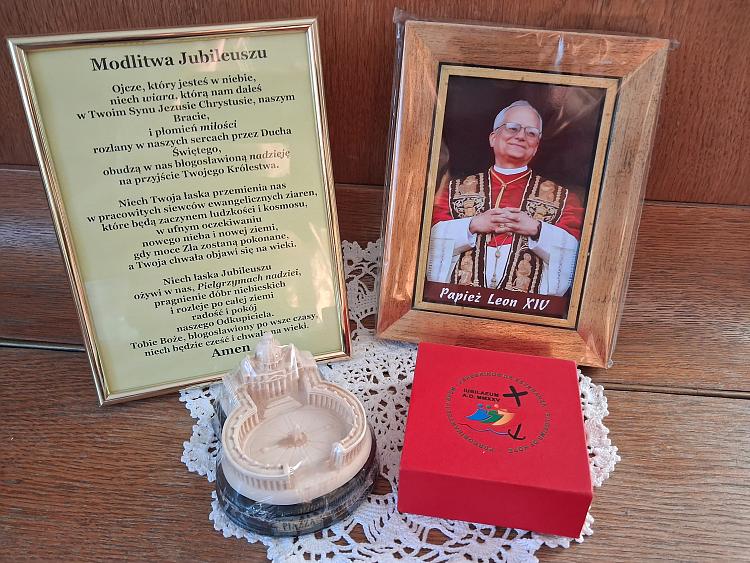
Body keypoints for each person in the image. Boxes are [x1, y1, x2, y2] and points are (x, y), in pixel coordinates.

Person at [429, 100, 584, 296]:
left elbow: (575, 253)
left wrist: (537, 229)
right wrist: (472, 225)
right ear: (493, 138)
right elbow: (428, 240)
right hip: (458, 302)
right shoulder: (452, 191)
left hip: (527, 308)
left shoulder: (564, 200)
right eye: (513, 128)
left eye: (531, 133)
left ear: (536, 146)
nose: (521, 136)